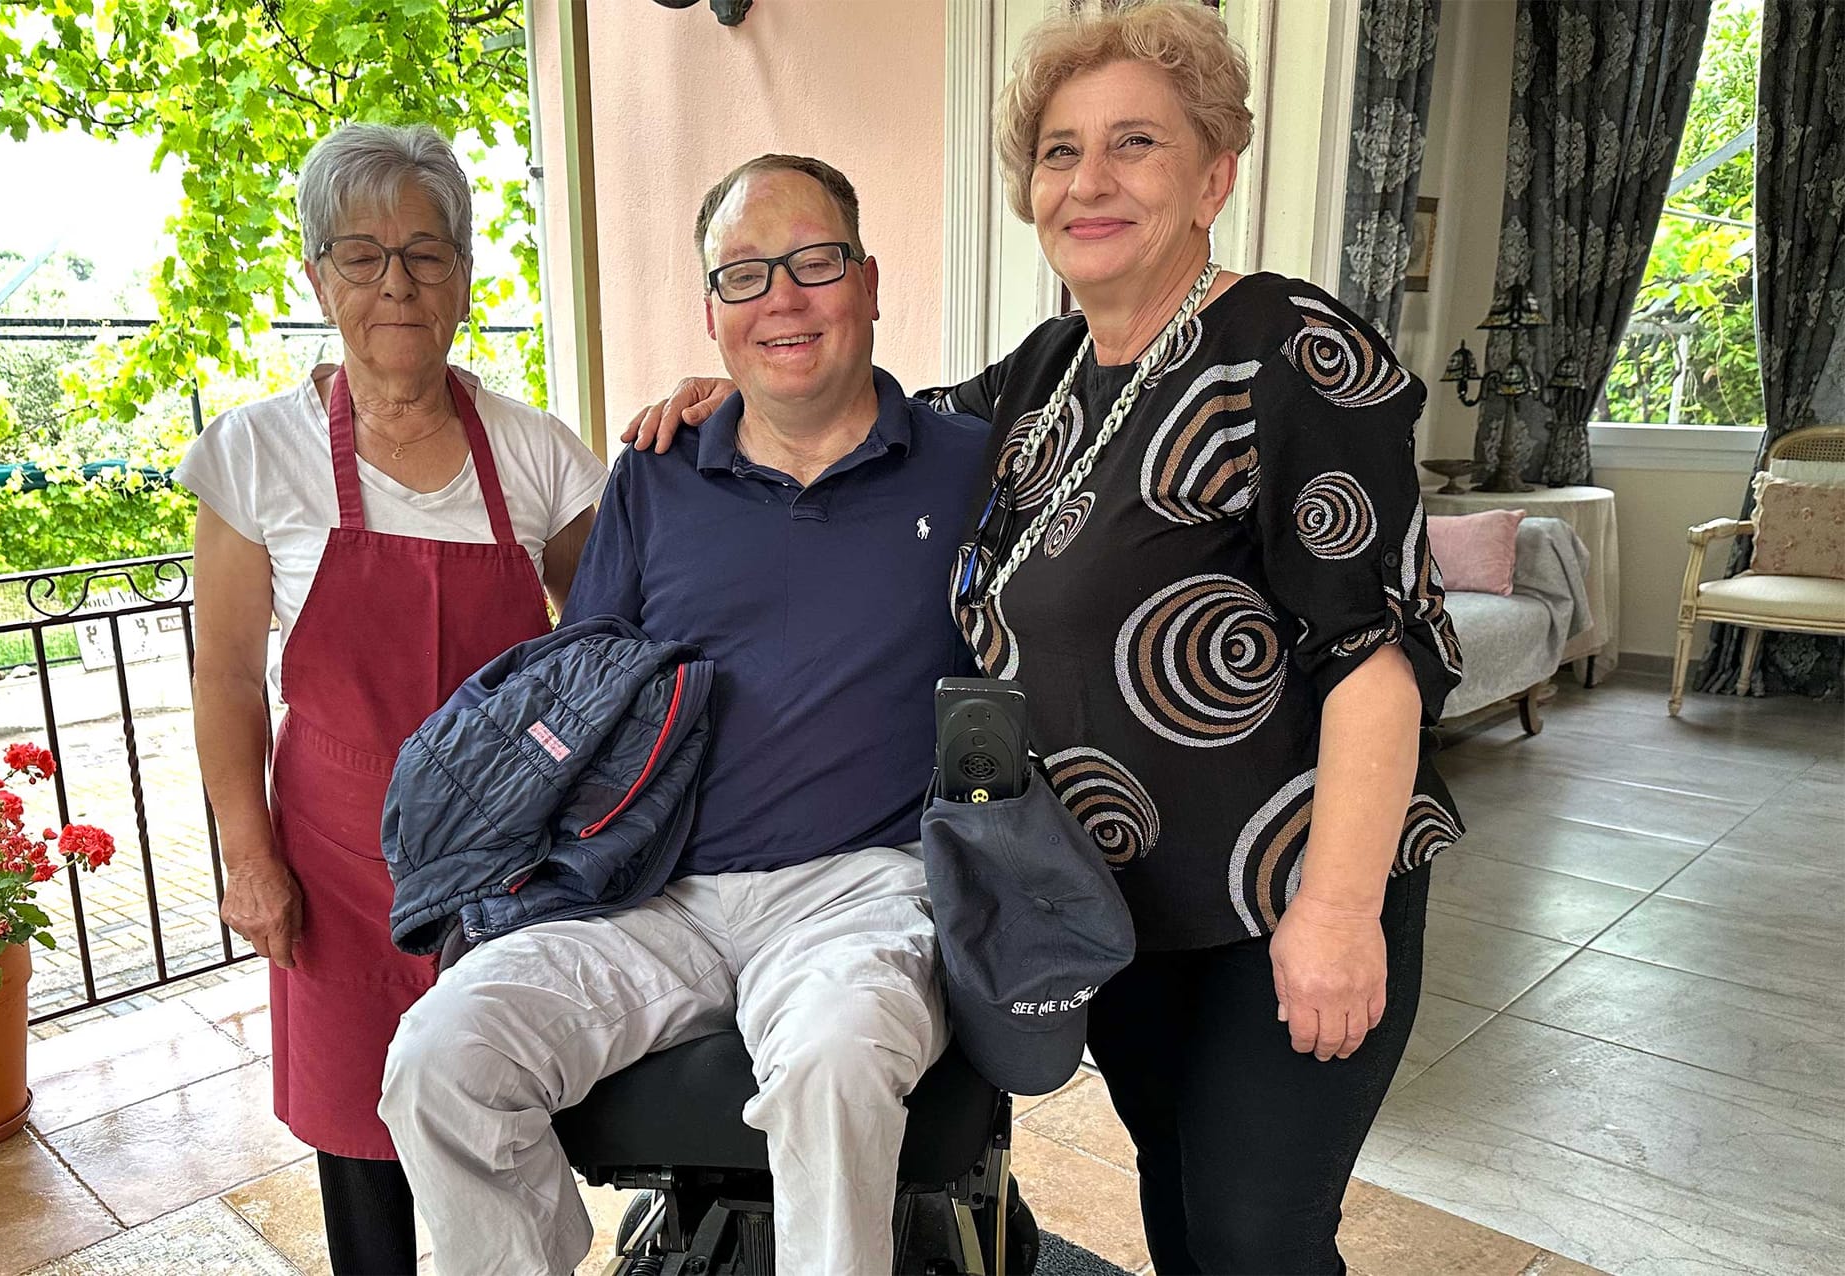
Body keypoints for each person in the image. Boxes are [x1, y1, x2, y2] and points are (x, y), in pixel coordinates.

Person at [622, 5, 1467, 1271]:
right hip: (1119, 907)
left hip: (1283, 895)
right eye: (1061, 151)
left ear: (1211, 173)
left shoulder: (1286, 351)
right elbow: (853, 422)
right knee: (1182, 1212)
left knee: (1256, 1237)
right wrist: (733, 393)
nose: (1090, 181)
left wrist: (1338, 911)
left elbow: (1372, 656)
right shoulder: (1044, 378)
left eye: (1135, 143)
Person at [378, 154, 990, 1276]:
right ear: (711, 314)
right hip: (654, 896)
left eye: (813, 262)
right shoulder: (655, 479)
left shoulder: (971, 467)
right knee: (440, 1054)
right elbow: (588, 693)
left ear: (868, 281)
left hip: (861, 888)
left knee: (836, 1062)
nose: (783, 299)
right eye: (744, 275)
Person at [180, 122, 606, 1274]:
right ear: (316, 277)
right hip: (333, 855)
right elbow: (223, 674)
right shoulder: (253, 454)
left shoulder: (537, 455)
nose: (396, 284)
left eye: (425, 251)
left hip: (506, 863)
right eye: (360, 255)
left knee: (504, 1126)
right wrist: (248, 855)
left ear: (464, 276)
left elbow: (618, 646)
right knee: (362, 1143)